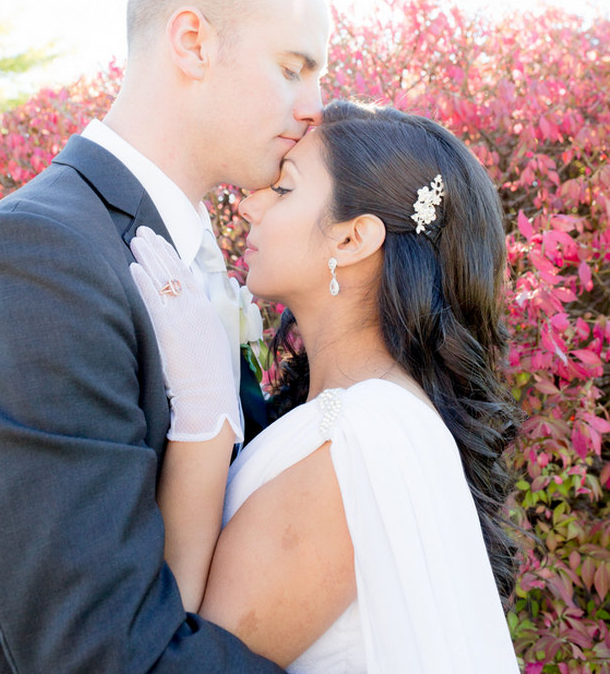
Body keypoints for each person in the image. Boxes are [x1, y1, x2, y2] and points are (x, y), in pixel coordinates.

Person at [0, 0, 329, 672]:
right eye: (292, 68)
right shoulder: (36, 258)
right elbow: (101, 654)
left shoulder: (195, 259)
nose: (314, 106)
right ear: (192, 41)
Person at [130, 101, 522, 673]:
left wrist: (203, 415)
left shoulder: (357, 442)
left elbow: (173, 661)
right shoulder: (368, 420)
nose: (246, 203)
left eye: (283, 189)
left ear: (351, 240)